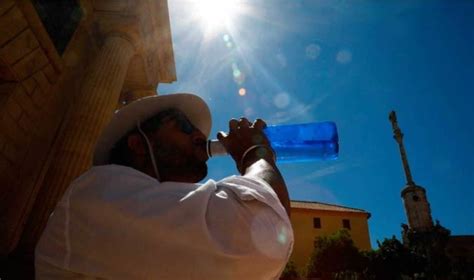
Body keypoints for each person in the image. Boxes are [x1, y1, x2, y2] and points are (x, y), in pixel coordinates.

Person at [35, 93, 294, 279]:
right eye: (183, 126)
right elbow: (262, 232)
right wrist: (256, 153)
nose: (200, 137)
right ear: (138, 145)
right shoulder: (97, 191)